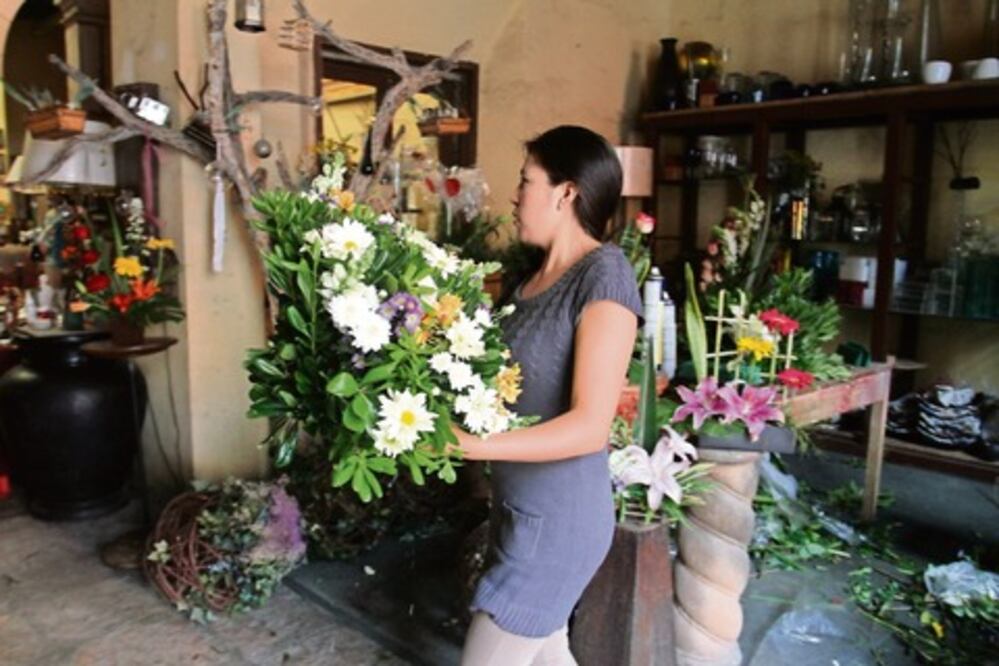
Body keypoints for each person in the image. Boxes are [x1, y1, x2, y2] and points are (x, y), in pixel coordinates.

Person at [453, 125, 642, 666]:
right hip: (519, 516)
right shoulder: (530, 284)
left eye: (525, 180)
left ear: (566, 193)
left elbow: (590, 426)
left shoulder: (604, 275)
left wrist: (475, 444)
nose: (515, 196)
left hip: (559, 527)